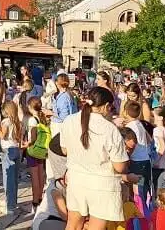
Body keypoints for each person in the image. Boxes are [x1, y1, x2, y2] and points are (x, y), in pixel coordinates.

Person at [59, 87, 129, 230]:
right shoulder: (109, 129)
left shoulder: (69, 121)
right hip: (102, 185)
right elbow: (120, 167)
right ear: (107, 106)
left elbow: (64, 150)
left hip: (77, 181)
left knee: (72, 225)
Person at [125, 101, 153, 206]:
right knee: (146, 187)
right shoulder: (140, 124)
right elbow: (149, 139)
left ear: (126, 112)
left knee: (137, 189)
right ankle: (147, 207)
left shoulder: (129, 126)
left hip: (136, 160)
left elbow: (131, 143)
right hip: (146, 159)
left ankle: (140, 210)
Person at [0, 101, 22, 216]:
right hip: (16, 149)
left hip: (8, 150)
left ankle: (10, 206)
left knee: (8, 179)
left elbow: (3, 135)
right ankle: (13, 202)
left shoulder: (5, 122)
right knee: (14, 179)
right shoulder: (17, 122)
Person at [26, 96, 48, 209]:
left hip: (33, 150)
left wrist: (26, 144)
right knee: (40, 174)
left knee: (34, 176)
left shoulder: (32, 120)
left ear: (30, 107)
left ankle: (35, 200)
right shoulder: (43, 118)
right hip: (42, 150)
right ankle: (40, 197)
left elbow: (33, 138)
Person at [153, 107, 165, 189]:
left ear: (160, 117)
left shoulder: (157, 130)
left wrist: (156, 160)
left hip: (159, 164)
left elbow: (162, 146)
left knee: (158, 187)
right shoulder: (163, 128)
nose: (153, 118)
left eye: (154, 116)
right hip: (164, 162)